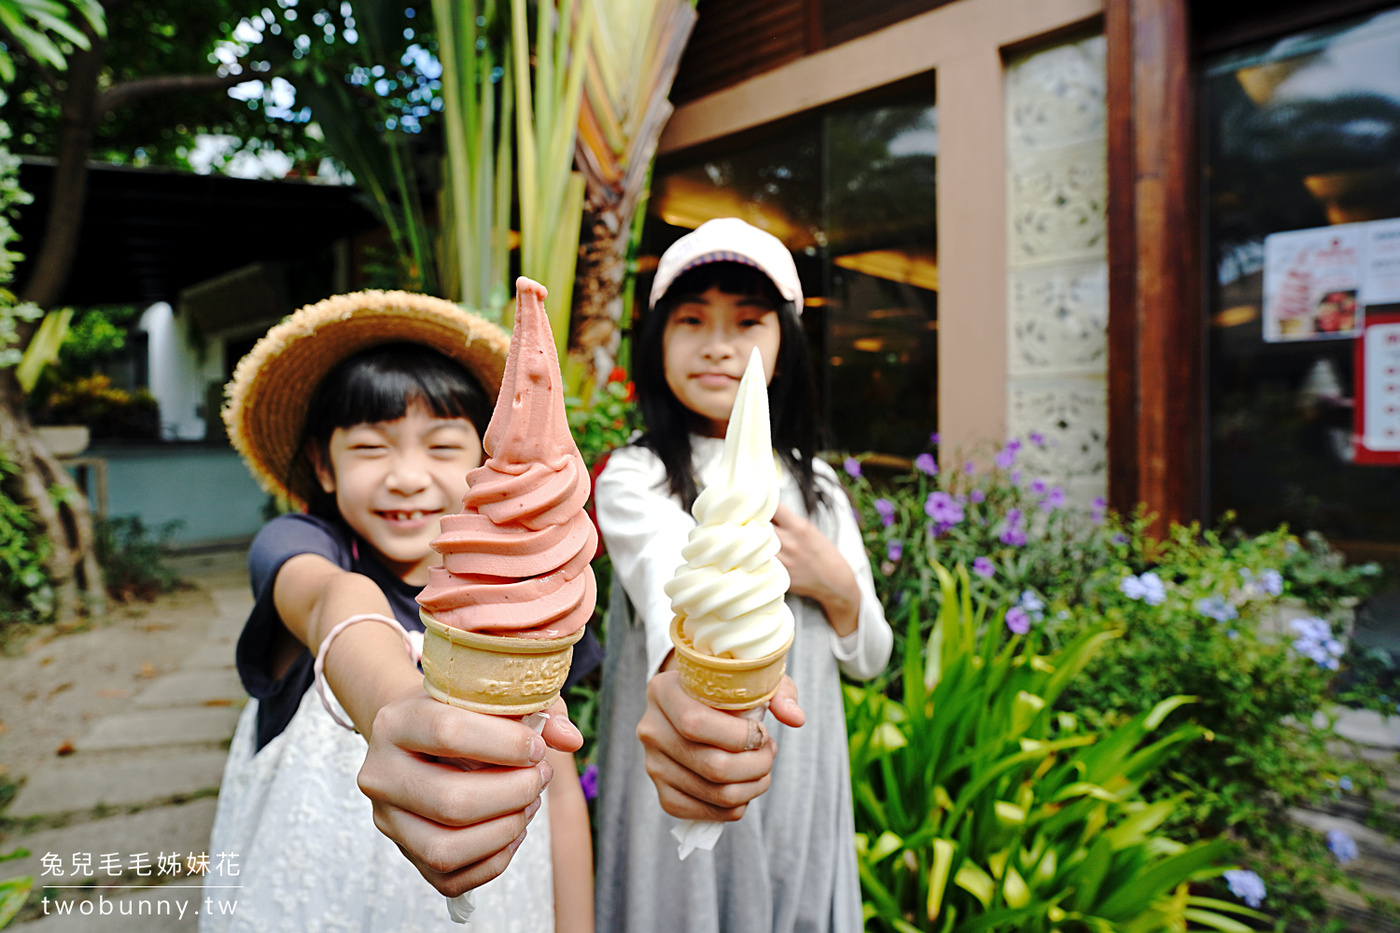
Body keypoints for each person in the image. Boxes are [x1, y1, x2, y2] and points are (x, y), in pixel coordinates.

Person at [204, 290, 597, 933]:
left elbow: (554, 772)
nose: (408, 476)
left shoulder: (527, 602)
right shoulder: (304, 546)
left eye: (442, 447)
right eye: (370, 448)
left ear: (487, 463)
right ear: (321, 467)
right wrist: (393, 700)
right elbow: (334, 600)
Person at [592, 218, 893, 932]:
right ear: (657, 343)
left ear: (785, 346)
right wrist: (697, 699)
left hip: (800, 765)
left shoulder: (818, 486)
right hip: (685, 752)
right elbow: (671, 587)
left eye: (748, 322)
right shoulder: (640, 476)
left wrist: (835, 582)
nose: (719, 344)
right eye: (692, 320)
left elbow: (872, 655)